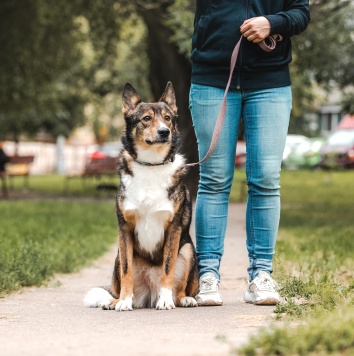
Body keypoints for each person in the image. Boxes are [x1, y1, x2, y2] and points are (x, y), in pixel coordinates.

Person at [189, 1, 310, 306]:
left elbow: (301, 12)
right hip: (212, 78)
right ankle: (207, 276)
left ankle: (261, 275)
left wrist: (273, 23)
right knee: (214, 179)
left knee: (266, 180)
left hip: (270, 81)